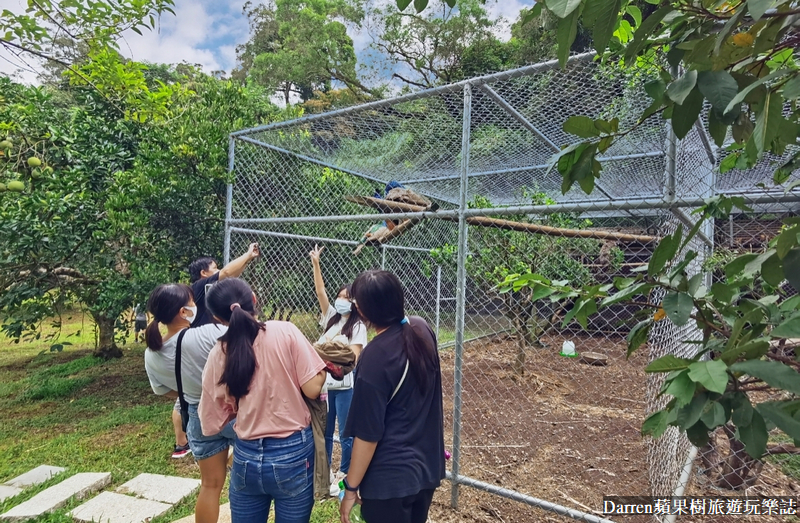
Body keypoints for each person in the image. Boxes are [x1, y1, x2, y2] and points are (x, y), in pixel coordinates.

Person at [199, 278, 327, 523]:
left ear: (218, 318)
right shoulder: (284, 330)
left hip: (245, 454)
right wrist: (321, 371)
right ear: (254, 300)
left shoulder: (219, 352)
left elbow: (210, 420)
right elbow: (312, 389)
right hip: (293, 452)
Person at [339, 270, 445, 523]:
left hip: (389, 482)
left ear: (363, 311)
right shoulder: (421, 328)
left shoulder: (374, 356)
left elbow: (368, 434)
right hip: (425, 471)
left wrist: (351, 488)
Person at [143, 284, 232, 523]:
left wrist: (192, 393)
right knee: (246, 480)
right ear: (183, 312)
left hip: (196, 416)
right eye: (192, 302)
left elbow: (164, 391)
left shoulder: (152, 353)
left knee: (210, 486)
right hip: (231, 412)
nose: (196, 306)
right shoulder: (207, 334)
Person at [308, 245, 367, 496]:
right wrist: (316, 263)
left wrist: (322, 352)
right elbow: (320, 290)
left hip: (344, 387)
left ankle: (344, 473)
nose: (341, 300)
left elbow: (351, 359)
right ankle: (326, 472)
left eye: (346, 297)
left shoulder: (358, 326)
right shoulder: (331, 317)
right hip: (323, 386)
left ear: (354, 302)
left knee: (345, 433)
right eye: (340, 296)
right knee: (323, 431)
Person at [188, 242, 260, 327]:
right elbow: (226, 272)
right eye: (215, 268)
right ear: (203, 273)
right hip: (203, 337)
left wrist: (248, 259)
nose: (218, 270)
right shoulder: (199, 285)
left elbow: (231, 275)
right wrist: (247, 254)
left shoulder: (207, 287)